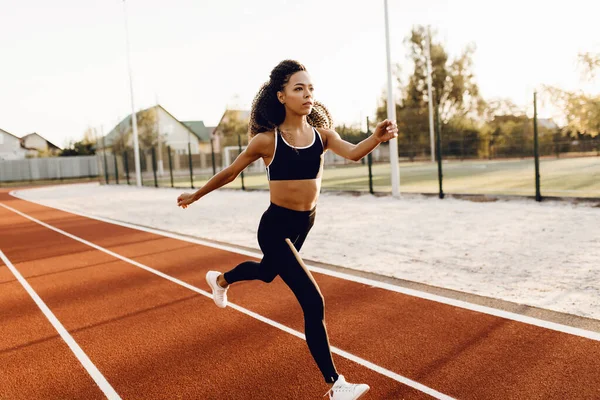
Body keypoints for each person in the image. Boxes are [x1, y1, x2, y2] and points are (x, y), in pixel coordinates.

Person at [177, 59, 398, 400]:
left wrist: (376, 137)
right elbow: (230, 173)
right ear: (281, 96)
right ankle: (336, 385)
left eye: (310, 88)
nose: (307, 94)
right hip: (275, 227)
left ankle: (220, 280)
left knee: (266, 274)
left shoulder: (323, 136)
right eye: (299, 88)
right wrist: (195, 195)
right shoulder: (267, 141)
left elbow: (354, 153)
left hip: (304, 224)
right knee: (313, 300)